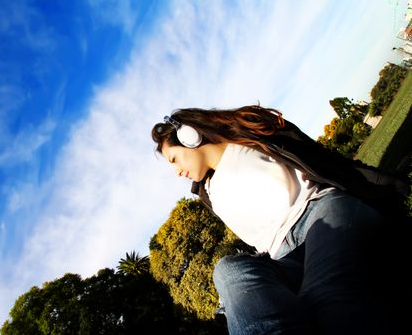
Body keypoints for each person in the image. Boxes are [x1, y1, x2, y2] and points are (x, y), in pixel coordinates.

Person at [151, 105, 410, 335]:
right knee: (228, 269)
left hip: (320, 211)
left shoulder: (249, 136)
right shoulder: (208, 192)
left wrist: (384, 183)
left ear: (189, 136)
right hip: (281, 256)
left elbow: (324, 160)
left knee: (325, 297)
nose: (177, 171)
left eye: (174, 159)